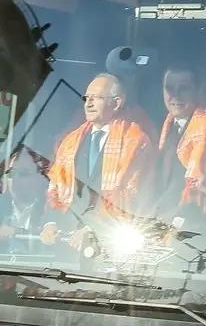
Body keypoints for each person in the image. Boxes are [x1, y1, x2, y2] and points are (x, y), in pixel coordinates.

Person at [42, 74, 157, 250]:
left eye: (96, 98)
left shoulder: (135, 141)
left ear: (116, 103)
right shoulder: (70, 142)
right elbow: (56, 190)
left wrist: (92, 229)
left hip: (113, 245)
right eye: (86, 98)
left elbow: (132, 199)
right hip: (67, 244)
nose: (88, 104)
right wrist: (50, 223)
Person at [155, 64, 206, 223]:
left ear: (198, 89)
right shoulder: (168, 124)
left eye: (183, 89)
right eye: (169, 88)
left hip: (201, 224)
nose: (175, 95)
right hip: (163, 220)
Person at [0, 146, 51, 254]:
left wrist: (18, 233)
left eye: (23, 173)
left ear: (40, 178)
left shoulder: (53, 208)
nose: (15, 179)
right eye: (11, 174)